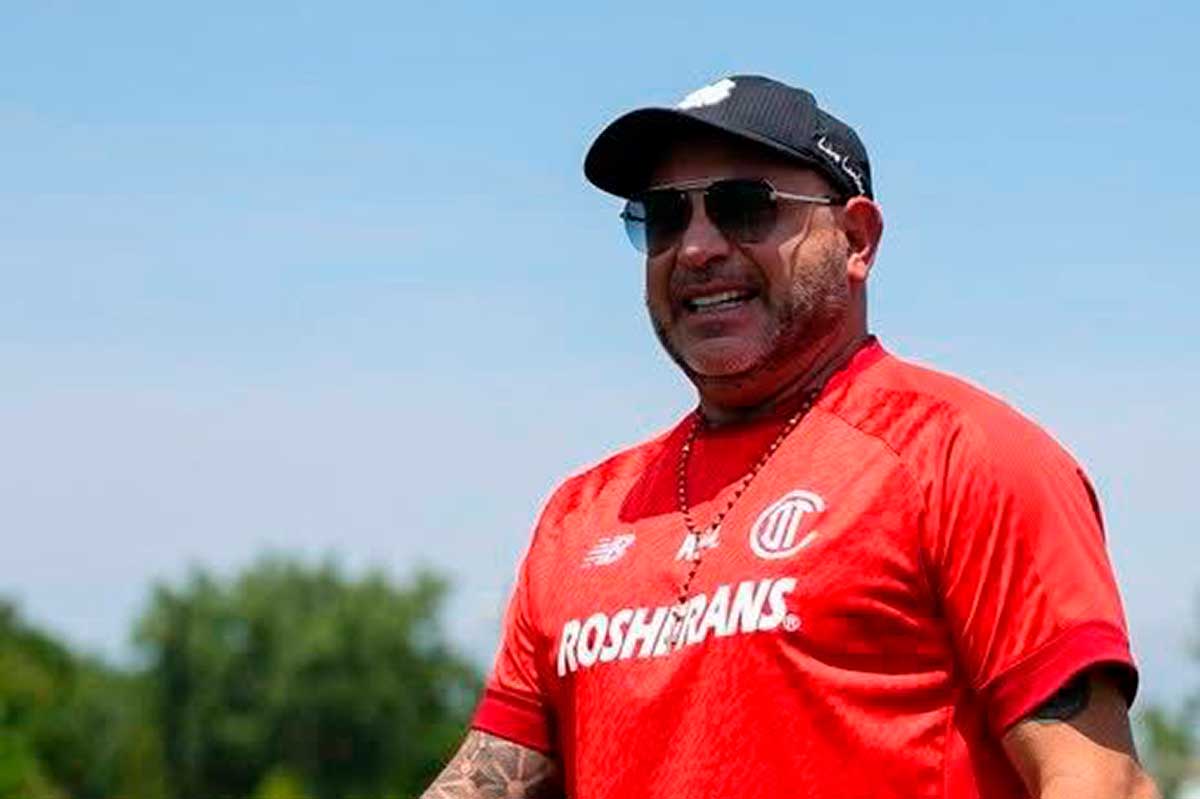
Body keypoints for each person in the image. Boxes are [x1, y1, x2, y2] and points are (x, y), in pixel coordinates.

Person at [421, 75, 1159, 799]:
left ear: (857, 239)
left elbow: (1104, 782)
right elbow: (488, 778)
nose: (696, 247)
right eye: (664, 216)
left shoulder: (959, 453)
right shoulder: (583, 515)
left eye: (745, 207)